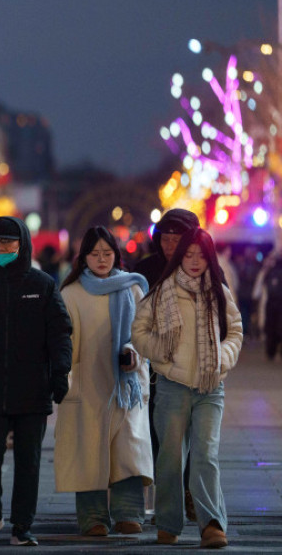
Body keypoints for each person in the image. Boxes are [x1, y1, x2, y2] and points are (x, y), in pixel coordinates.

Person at [0, 215, 72, 546]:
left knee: (29, 459)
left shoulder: (42, 285)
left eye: (8, 243)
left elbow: (60, 333)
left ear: (22, 245)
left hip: (32, 385)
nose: (2, 248)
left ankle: (23, 524)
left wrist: (60, 372)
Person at [132, 227, 243, 549]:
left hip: (211, 387)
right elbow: (138, 332)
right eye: (189, 254)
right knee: (170, 458)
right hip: (172, 387)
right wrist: (160, 354)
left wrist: (222, 356)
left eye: (201, 255)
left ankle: (211, 524)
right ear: (180, 257)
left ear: (210, 258)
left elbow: (235, 330)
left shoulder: (218, 290)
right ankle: (168, 523)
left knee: (206, 455)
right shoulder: (162, 291)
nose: (194, 262)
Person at [53, 226, 152, 536]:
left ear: (116, 255)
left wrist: (134, 352)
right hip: (86, 383)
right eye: (94, 254)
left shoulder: (132, 289)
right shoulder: (71, 293)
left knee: (128, 451)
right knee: (89, 452)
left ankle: (128, 513)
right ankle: (93, 516)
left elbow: (144, 334)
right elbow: (64, 342)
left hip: (126, 385)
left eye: (107, 253)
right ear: (83, 257)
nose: (101, 259)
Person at [253, 249, 282, 359]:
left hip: (270, 304)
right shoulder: (267, 272)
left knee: (271, 328)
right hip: (276, 304)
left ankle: (271, 352)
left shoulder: (268, 272)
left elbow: (257, 292)